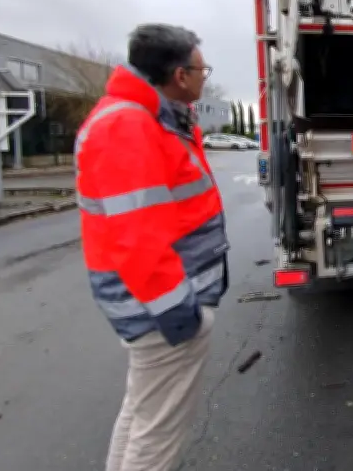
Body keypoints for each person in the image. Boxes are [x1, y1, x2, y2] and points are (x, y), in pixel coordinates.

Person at [75, 24, 230, 470]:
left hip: (153, 306)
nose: (205, 77)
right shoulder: (128, 125)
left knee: (143, 412)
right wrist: (181, 314)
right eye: (202, 69)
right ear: (180, 74)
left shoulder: (142, 118)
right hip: (161, 312)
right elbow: (136, 236)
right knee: (158, 435)